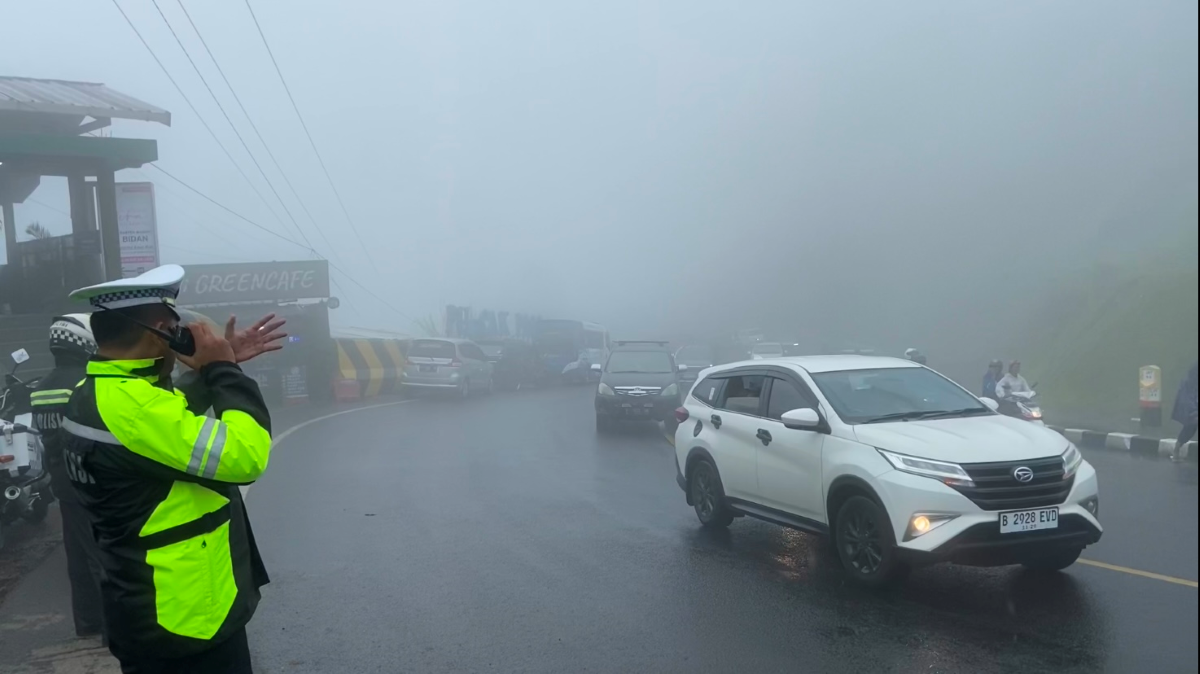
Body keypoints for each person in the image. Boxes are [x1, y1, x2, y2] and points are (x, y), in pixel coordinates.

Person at [61, 265, 286, 674]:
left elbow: (165, 428)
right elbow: (246, 455)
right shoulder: (138, 408)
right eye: (177, 330)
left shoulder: (96, 392)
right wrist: (224, 371)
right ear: (161, 331)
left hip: (146, 605)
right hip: (187, 620)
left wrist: (212, 369)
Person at [29, 314, 105, 640]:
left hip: (63, 485)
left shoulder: (40, 389)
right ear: (84, 343)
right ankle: (113, 629)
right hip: (92, 481)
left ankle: (87, 623)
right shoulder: (85, 383)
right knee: (102, 557)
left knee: (77, 555)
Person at [1171, 362, 1198, 462]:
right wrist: (1193, 411)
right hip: (1191, 406)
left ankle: (1176, 452)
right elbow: (1186, 399)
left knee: (1190, 428)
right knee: (1190, 428)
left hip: (1193, 405)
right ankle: (1176, 452)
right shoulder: (1189, 383)